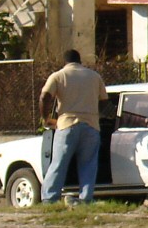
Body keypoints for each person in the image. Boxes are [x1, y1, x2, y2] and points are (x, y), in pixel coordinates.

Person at [39, 49, 109, 204]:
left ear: (65, 62)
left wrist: (46, 118)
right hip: (91, 125)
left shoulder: (58, 76)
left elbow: (45, 96)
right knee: (88, 165)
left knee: (59, 163)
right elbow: (104, 101)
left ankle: (50, 198)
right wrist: (97, 114)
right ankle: (85, 198)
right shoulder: (94, 76)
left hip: (66, 124)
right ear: (80, 61)